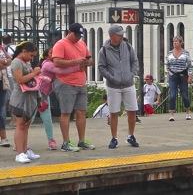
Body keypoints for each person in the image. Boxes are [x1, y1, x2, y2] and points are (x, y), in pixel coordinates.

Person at [52, 23, 95, 152]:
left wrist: (87, 62)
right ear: (69, 32)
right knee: (66, 113)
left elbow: (90, 58)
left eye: (79, 35)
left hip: (81, 83)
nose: (78, 37)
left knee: (81, 112)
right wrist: (75, 61)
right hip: (66, 83)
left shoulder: (82, 44)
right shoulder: (60, 44)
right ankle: (66, 142)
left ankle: (81, 141)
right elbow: (57, 61)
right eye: (76, 35)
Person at [98, 25, 140, 149]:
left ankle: (131, 136)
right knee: (114, 112)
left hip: (128, 84)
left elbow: (135, 61)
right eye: (119, 34)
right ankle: (114, 138)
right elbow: (101, 67)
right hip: (113, 86)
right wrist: (111, 77)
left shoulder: (127, 46)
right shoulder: (104, 50)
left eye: (122, 34)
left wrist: (132, 74)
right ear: (112, 36)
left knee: (132, 111)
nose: (122, 36)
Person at [39, 47, 80, 150]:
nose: (53, 54)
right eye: (51, 52)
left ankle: (51, 141)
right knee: (28, 120)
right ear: (46, 55)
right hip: (37, 94)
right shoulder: (47, 64)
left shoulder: (51, 63)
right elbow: (60, 71)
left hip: (44, 94)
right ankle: (20, 143)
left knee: (47, 119)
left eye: (54, 52)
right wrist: (77, 66)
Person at [9, 41, 41, 163]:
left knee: (26, 126)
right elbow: (20, 79)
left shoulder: (25, 62)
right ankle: (19, 153)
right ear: (24, 51)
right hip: (20, 98)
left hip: (29, 97)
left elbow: (30, 78)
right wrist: (34, 73)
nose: (32, 58)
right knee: (20, 125)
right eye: (31, 55)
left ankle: (25, 149)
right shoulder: (16, 62)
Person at [166, 36, 193, 121]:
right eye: (174, 42)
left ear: (181, 43)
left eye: (177, 42)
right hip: (173, 75)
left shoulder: (185, 53)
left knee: (185, 95)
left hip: (183, 75)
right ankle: (171, 114)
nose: (175, 43)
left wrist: (190, 76)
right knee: (172, 95)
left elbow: (190, 66)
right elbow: (167, 65)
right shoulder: (170, 53)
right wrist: (169, 74)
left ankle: (188, 112)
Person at [0, 41, 12, 147]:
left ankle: (3, 137)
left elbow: (10, 60)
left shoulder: (2, 48)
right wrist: (4, 62)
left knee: (2, 112)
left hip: (2, 82)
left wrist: (4, 62)